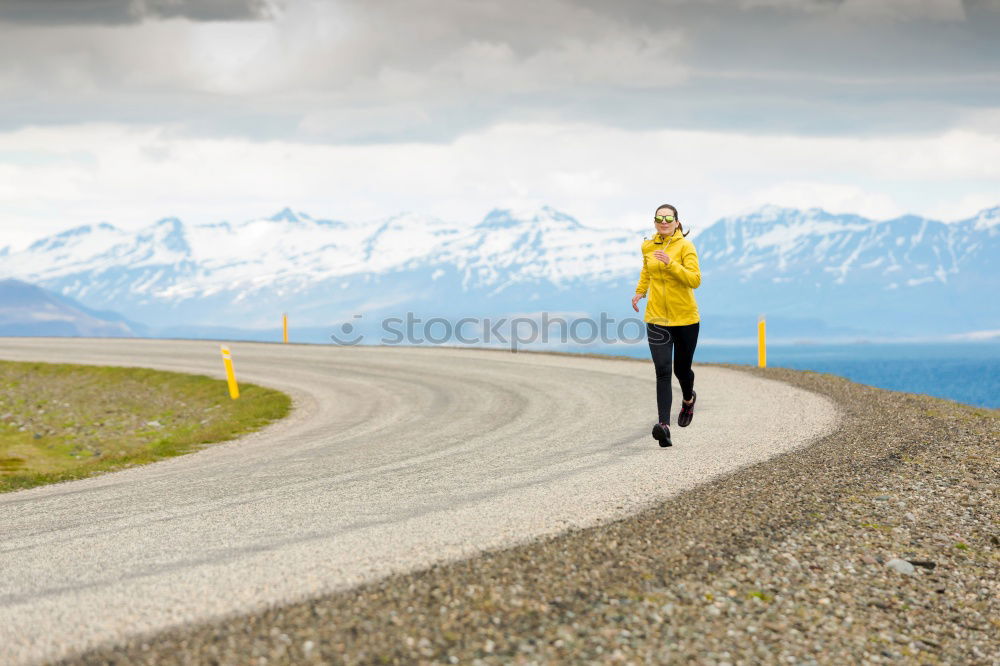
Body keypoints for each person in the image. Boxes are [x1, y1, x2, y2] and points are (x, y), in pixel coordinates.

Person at [631, 204, 702, 447]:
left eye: (668, 217)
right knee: (662, 370)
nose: (663, 221)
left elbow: (695, 279)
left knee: (681, 370)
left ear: (676, 221)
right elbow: (647, 272)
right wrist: (640, 292)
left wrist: (671, 263)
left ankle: (689, 399)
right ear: (654, 221)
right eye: (659, 218)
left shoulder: (685, 246)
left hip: (685, 319)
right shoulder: (648, 246)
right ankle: (664, 426)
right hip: (657, 318)